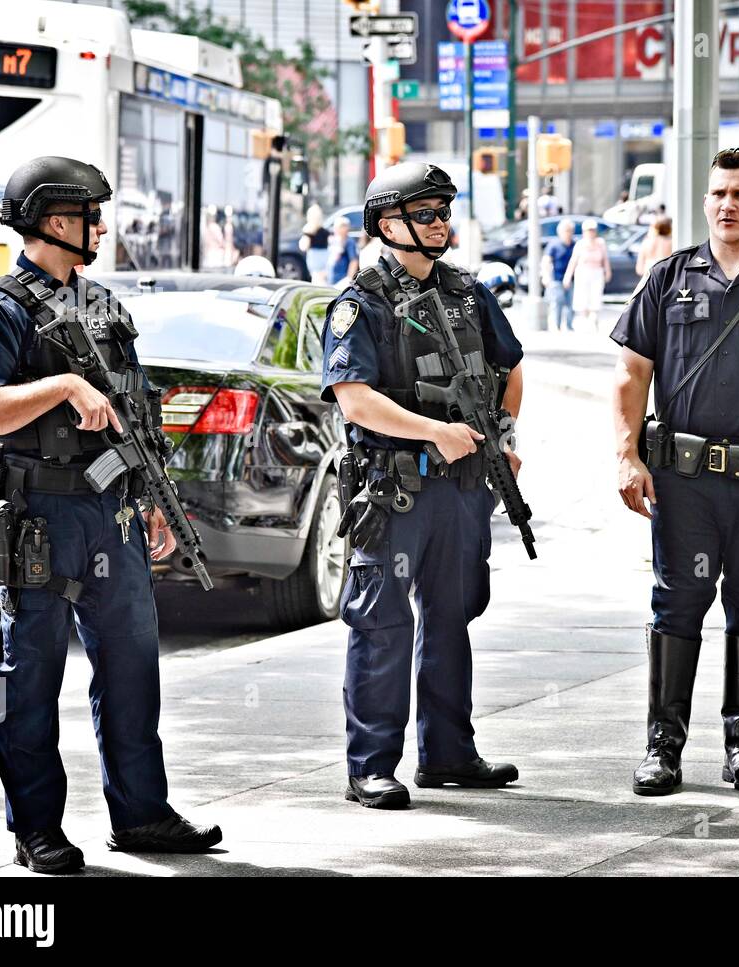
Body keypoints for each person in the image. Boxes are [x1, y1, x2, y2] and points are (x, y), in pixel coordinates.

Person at [0, 156, 221, 874]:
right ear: (50, 220)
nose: (100, 226)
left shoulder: (103, 305)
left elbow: (136, 409)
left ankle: (142, 814)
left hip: (113, 512)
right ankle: (36, 827)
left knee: (133, 669)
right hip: (39, 513)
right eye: (88, 215)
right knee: (31, 675)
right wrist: (63, 383)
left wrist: (154, 498)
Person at [322, 162, 525, 809]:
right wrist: (433, 431)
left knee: (452, 619)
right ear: (389, 223)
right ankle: (371, 765)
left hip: (463, 491)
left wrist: (505, 436)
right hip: (395, 488)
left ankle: (449, 753)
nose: (441, 224)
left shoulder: (468, 292)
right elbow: (355, 401)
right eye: (427, 214)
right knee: (383, 624)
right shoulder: (361, 304)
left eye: (444, 213)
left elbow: (510, 367)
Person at [611, 147, 739, 797]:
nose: (728, 203)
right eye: (719, 192)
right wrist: (625, 452)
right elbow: (631, 370)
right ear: (705, 201)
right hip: (683, 479)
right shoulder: (670, 277)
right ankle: (662, 747)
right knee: (677, 603)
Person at [566, 222, 611, 331]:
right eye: (588, 230)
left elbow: (605, 258)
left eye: (592, 230)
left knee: (595, 296)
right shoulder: (580, 244)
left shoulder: (601, 243)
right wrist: (568, 276)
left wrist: (608, 271)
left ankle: (593, 319)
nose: (590, 233)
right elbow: (573, 261)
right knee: (582, 297)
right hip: (583, 272)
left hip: (597, 272)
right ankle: (585, 321)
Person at [541, 219, 576, 331]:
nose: (568, 233)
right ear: (560, 232)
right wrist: (546, 276)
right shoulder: (554, 245)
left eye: (570, 230)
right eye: (566, 230)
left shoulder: (575, 244)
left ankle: (569, 326)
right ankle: (557, 325)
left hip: (572, 279)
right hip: (557, 278)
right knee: (557, 303)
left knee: (571, 304)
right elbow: (546, 261)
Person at [298, 204, 330, 282]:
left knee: (317, 280)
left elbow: (304, 247)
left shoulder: (308, 230)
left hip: (314, 258)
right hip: (325, 257)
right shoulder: (325, 231)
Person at [325, 220, 361, 286]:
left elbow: (354, 261)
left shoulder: (349, 242)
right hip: (333, 280)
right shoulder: (335, 240)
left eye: (338, 227)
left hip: (342, 280)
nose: (335, 230)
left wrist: (349, 279)